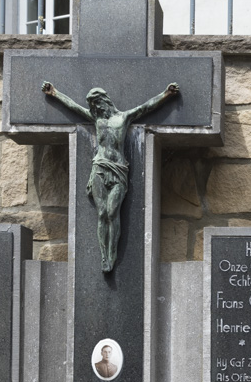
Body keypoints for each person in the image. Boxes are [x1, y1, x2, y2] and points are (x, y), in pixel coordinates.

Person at [41, 81, 180, 272]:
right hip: (99, 168)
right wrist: (55, 93)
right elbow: (73, 106)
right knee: (101, 214)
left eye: (97, 104)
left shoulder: (123, 118)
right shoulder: (96, 119)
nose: (95, 109)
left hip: (118, 170)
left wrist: (166, 94)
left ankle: (112, 254)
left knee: (112, 212)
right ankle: (104, 256)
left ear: (104, 101)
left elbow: (146, 107)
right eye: (93, 106)